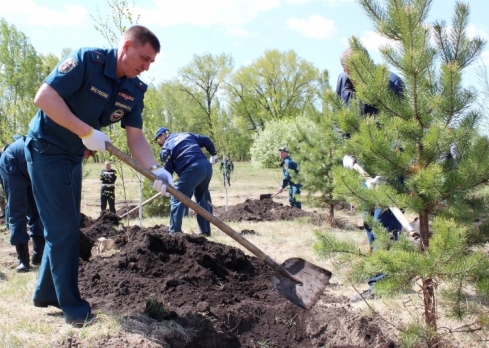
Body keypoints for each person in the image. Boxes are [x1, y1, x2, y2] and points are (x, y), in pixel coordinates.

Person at [24, 25, 173, 327]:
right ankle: (73, 307)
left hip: (73, 157)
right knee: (64, 227)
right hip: (45, 150)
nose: (145, 67)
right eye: (143, 58)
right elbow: (44, 97)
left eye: (151, 63)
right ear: (127, 46)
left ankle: (45, 293)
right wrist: (86, 131)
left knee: (63, 225)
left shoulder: (134, 90)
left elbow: (136, 138)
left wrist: (155, 169)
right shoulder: (86, 61)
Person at [336, 47, 404, 302]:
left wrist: (392, 164)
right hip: (364, 161)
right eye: (351, 72)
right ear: (345, 70)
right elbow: (342, 118)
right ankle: (384, 277)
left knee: (384, 221)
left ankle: (383, 284)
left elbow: (404, 125)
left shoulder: (391, 83)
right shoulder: (344, 83)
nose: (357, 76)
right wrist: (347, 151)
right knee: (370, 220)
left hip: (390, 159)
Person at [154, 127, 218, 236]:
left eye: (158, 139)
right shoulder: (186, 135)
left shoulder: (166, 148)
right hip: (206, 166)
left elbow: (167, 172)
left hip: (193, 168)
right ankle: (205, 230)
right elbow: (206, 139)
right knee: (201, 197)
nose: (158, 143)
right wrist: (214, 155)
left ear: (164, 135)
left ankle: (174, 232)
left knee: (176, 197)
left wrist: (168, 184)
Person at [0, 137, 45, 273]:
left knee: (37, 209)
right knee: (17, 210)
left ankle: (39, 254)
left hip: (30, 169)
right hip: (12, 164)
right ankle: (23, 259)